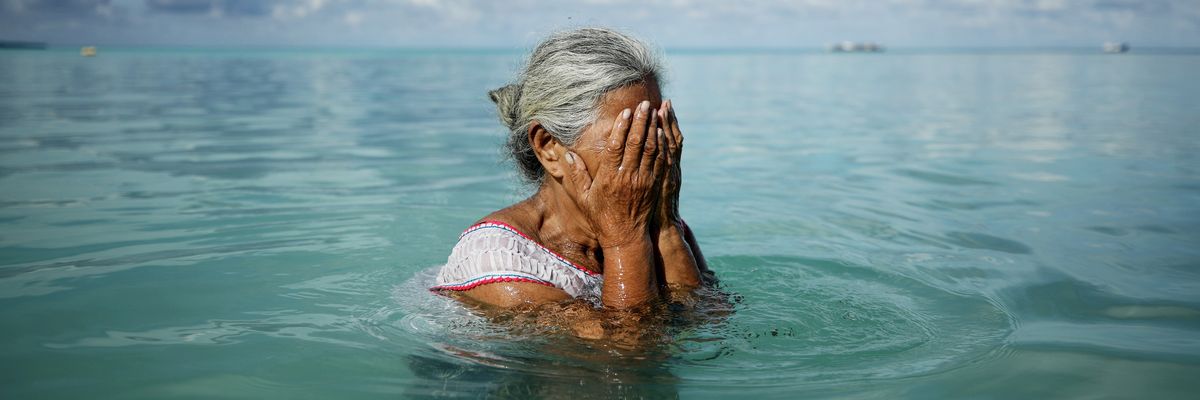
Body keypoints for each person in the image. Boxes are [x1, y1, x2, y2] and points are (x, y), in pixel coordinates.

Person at [431, 28, 710, 312]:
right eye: (630, 136)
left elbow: (709, 324)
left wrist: (667, 226)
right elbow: (628, 340)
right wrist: (624, 240)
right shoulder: (497, 261)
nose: (654, 149)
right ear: (548, 146)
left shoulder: (658, 222)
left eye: (659, 127)